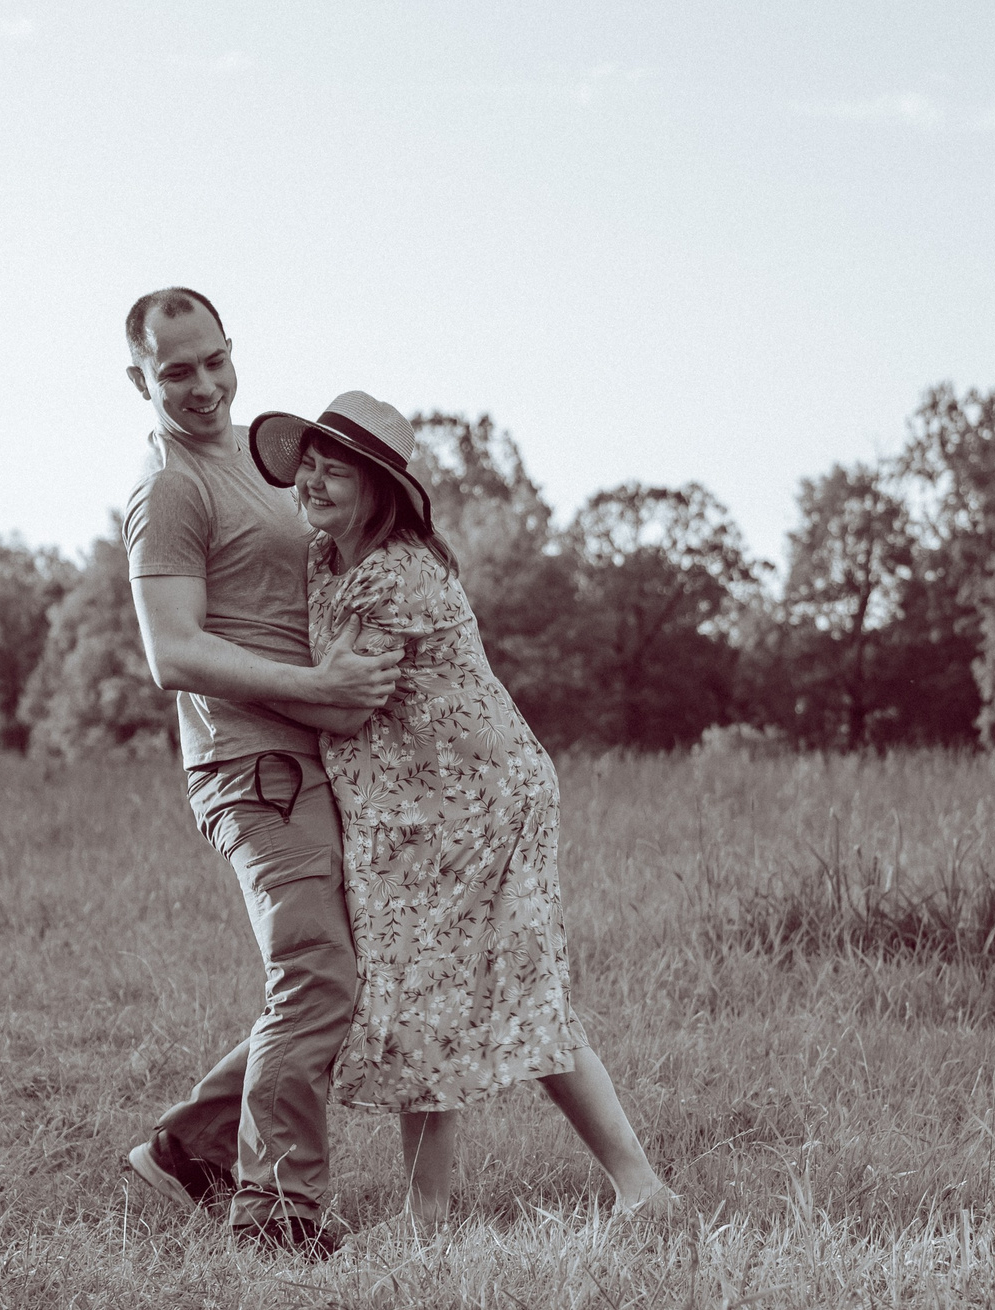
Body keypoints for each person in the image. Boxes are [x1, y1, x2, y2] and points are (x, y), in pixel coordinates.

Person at [245, 391, 680, 1236]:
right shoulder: (327, 561)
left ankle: (593, 1196)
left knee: (483, 997)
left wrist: (241, 695)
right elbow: (331, 689)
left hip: (474, 803)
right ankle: (592, 1195)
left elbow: (339, 708)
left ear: (380, 488)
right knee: (443, 997)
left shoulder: (396, 572)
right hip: (417, 804)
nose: (315, 481)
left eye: (338, 469)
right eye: (310, 466)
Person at [116, 288, 400, 1258]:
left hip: (314, 750)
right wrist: (317, 681)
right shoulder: (167, 489)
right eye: (175, 371)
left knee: (341, 978)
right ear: (139, 381)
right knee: (315, 977)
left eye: (213, 361)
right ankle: (277, 1213)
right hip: (251, 765)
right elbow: (174, 653)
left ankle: (189, 1148)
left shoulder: (260, 461)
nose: (201, 386)